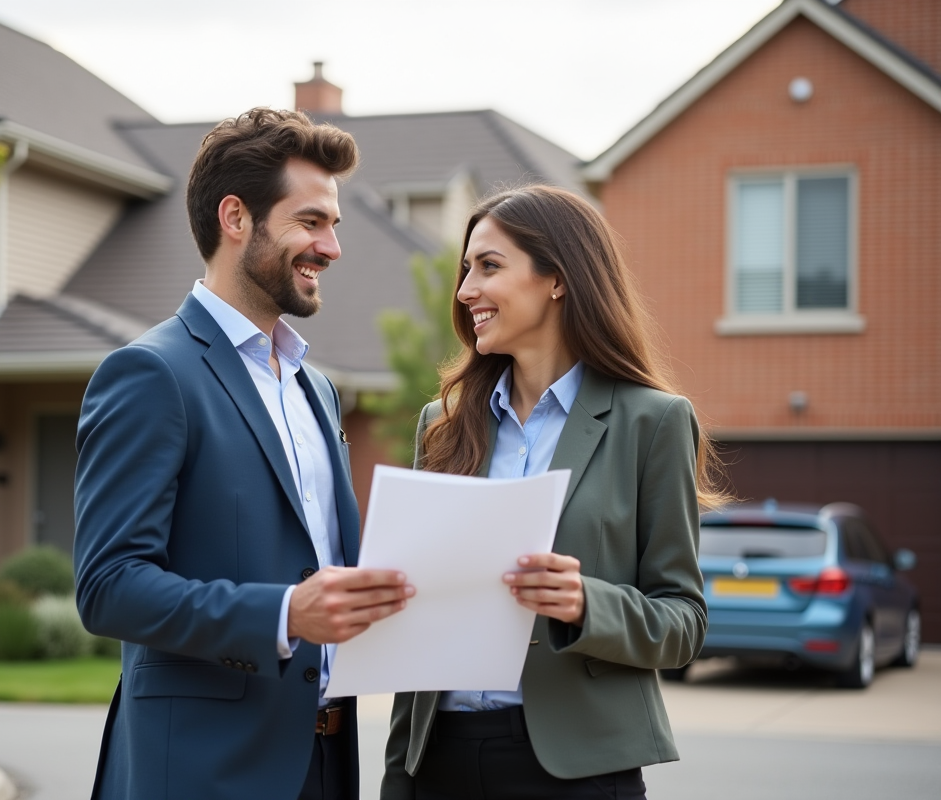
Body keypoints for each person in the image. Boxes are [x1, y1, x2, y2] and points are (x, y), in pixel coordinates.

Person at [74, 108, 414, 800]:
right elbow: (108, 586)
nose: (332, 247)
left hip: (323, 762)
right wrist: (284, 614)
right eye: (311, 222)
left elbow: (320, 568)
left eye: (334, 225)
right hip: (203, 773)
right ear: (236, 219)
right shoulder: (151, 374)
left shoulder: (316, 389)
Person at [382, 185, 721, 800]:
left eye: (488, 266)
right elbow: (420, 629)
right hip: (440, 765)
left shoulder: (653, 422)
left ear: (557, 279)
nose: (465, 291)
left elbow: (684, 622)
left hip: (578, 770)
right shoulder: (443, 423)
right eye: (466, 271)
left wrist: (582, 602)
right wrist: (399, 777)